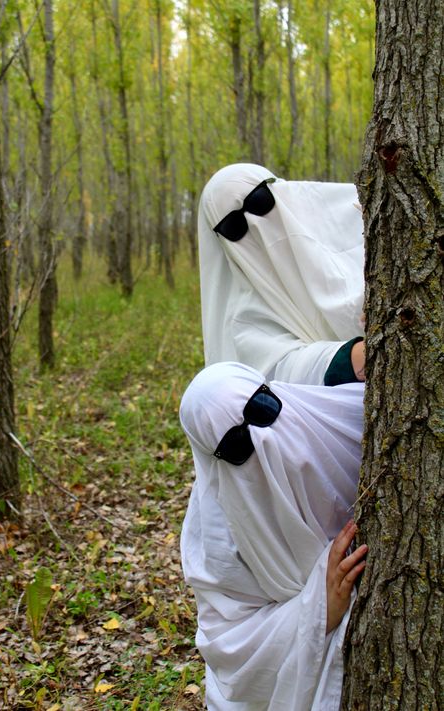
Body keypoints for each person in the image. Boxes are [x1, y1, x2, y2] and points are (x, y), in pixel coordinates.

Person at [180, 361, 367, 710]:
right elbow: (229, 647)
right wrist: (318, 609)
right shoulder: (215, 538)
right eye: (236, 444)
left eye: (261, 409)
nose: (259, 437)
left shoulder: (327, 417)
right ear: (211, 457)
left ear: (271, 391)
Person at [198, 163, 366, 386]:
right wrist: (352, 357)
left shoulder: (347, 227)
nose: (254, 223)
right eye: (234, 226)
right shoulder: (246, 312)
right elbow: (276, 368)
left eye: (259, 202)